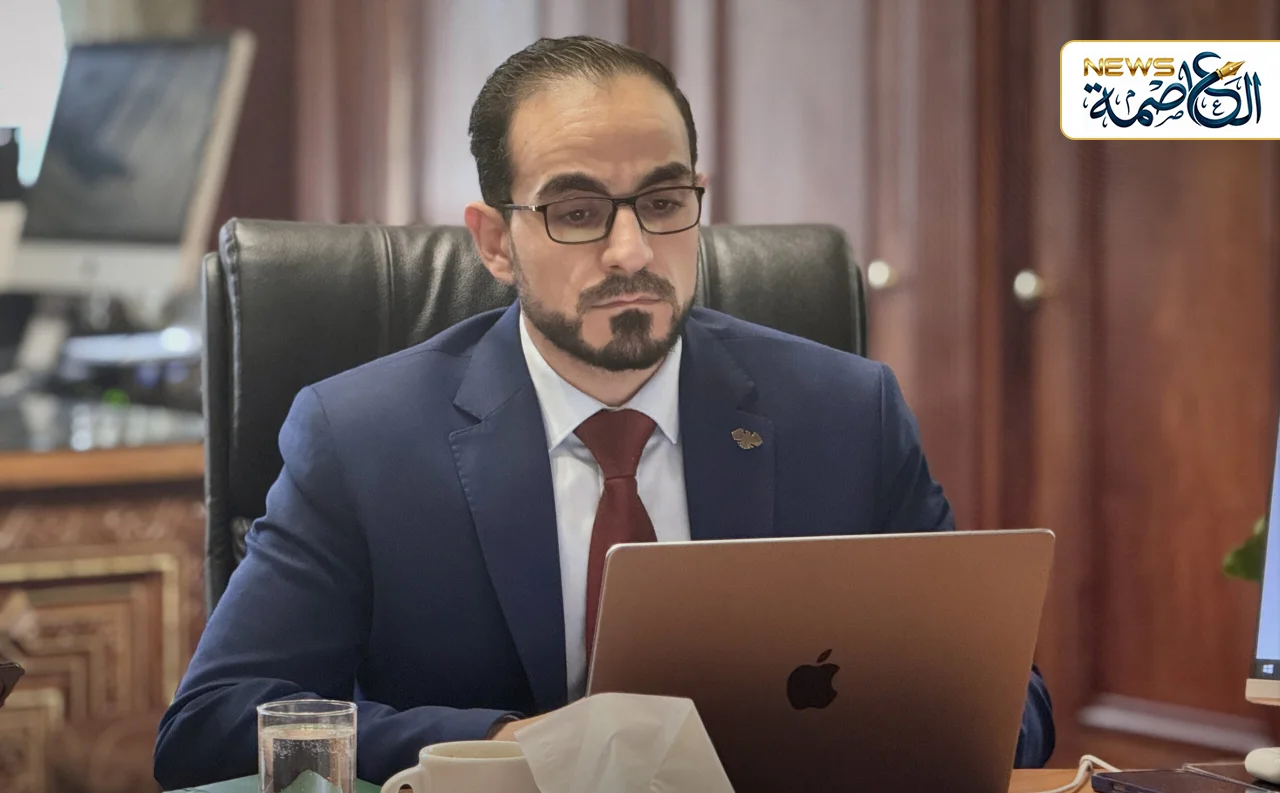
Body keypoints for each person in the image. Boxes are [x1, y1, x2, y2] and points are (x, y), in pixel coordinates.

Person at [153, 35, 1053, 788]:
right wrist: (506, 746)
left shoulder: (848, 414)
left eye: (663, 203)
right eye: (578, 211)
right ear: (495, 242)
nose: (632, 251)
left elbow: (1014, 704)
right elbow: (210, 726)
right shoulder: (360, 439)